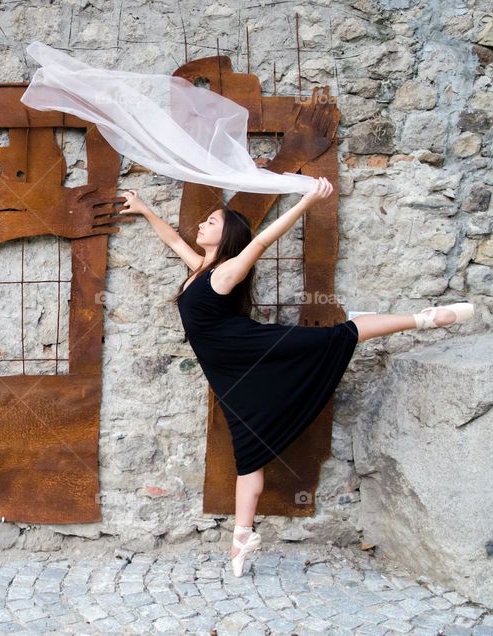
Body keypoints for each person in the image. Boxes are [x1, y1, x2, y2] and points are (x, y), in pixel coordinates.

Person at [117, 179, 474, 577]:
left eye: (211, 221)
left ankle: (424, 318)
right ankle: (242, 536)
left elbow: (262, 241)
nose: (201, 224)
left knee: (341, 334)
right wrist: (145, 209)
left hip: (251, 351)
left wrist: (305, 202)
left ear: (228, 234)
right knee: (248, 451)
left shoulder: (227, 272)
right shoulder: (201, 268)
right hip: (232, 376)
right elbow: (172, 242)